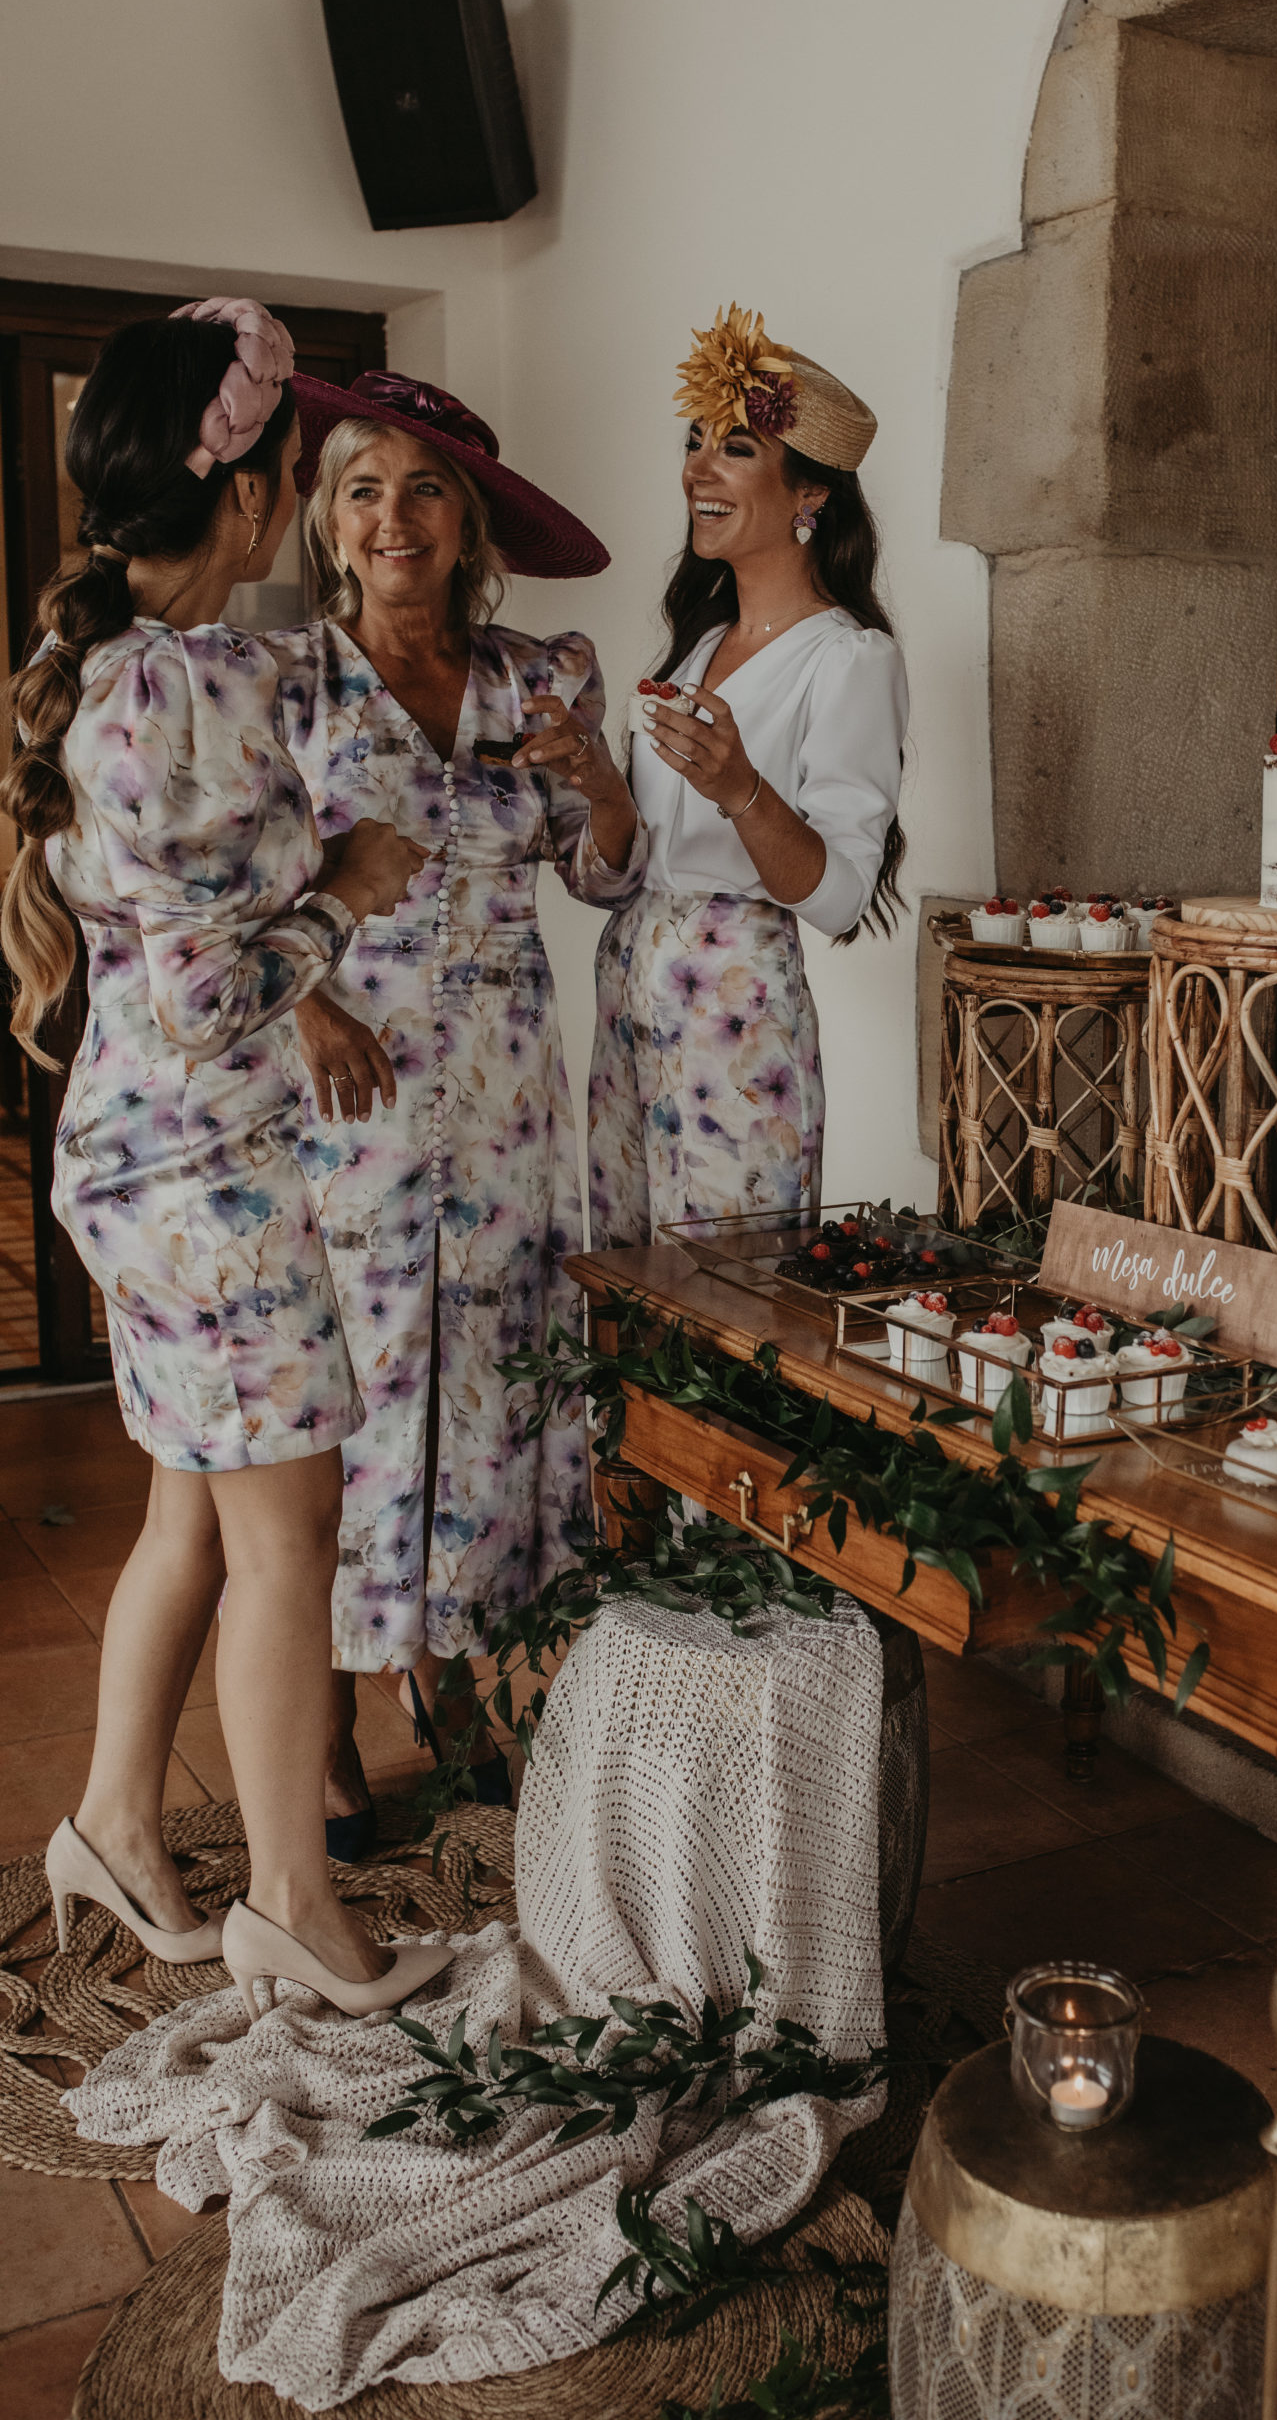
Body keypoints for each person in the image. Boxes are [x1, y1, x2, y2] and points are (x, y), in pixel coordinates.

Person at [5, 301, 448, 2018]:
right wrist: (346, 889)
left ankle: (118, 1819)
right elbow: (207, 991)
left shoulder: (116, 676)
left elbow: (166, 932)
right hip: (206, 1176)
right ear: (256, 496)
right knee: (287, 1544)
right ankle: (291, 1905)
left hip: (130, 1162)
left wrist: (313, 864)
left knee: (188, 1513)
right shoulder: (187, 686)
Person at [270, 372, 644, 1849]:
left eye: (424, 488)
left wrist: (601, 781)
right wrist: (301, 1003)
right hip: (343, 1087)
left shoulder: (542, 675)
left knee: (486, 1381)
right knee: (356, 1397)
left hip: (499, 1097)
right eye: (363, 487)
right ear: (326, 520)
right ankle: (335, 1721)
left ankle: (460, 1668)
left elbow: (600, 874)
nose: (392, 516)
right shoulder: (285, 688)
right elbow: (223, 892)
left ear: (469, 521)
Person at [580, 308, 906, 1244]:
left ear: (810, 495)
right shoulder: (694, 651)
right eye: (693, 445)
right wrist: (595, 778)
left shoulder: (848, 660)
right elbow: (627, 868)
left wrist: (743, 792)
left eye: (733, 448)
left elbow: (840, 898)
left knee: (728, 1293)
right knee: (629, 1281)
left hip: (735, 1010)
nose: (697, 471)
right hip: (632, 985)